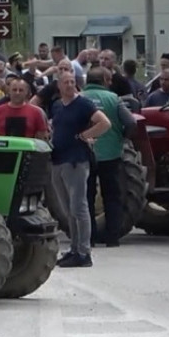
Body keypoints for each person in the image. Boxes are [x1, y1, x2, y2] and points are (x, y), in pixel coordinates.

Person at [48, 72, 110, 268]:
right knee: (68, 209)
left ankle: (84, 252)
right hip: (58, 159)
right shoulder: (57, 106)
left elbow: (104, 123)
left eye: (72, 82)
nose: (69, 85)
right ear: (59, 85)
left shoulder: (83, 104)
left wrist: (85, 135)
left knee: (78, 207)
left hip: (76, 161)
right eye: (66, 82)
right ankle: (74, 249)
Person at [82, 67, 137, 247]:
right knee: (112, 197)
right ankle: (112, 238)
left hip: (84, 155)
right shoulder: (113, 99)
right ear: (104, 80)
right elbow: (131, 122)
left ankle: (89, 238)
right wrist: (122, 137)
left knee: (86, 197)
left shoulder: (78, 98)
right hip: (111, 155)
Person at [0, 74, 49, 139]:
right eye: (14, 90)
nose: (17, 93)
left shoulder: (36, 112)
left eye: (21, 90)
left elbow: (42, 138)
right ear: (9, 91)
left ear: (26, 92)